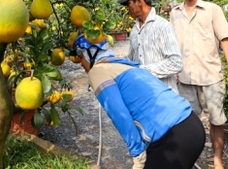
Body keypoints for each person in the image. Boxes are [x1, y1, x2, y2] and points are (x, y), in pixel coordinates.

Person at [71, 34, 205, 169]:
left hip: (173, 136)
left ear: (90, 54)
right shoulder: (125, 64)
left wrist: (138, 155)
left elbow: (120, 116)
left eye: (81, 57)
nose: (81, 63)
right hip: (192, 125)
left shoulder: (99, 71)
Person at [170, 0, 228, 169]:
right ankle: (191, 159)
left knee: (216, 121)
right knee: (187, 122)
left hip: (210, 76)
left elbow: (225, 39)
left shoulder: (212, 9)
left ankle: (218, 159)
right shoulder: (174, 13)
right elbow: (173, 44)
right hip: (184, 78)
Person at [119, 0, 183, 91]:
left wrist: (143, 71)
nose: (127, 8)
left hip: (163, 94)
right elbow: (131, 60)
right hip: (144, 93)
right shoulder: (134, 30)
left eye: (128, 4)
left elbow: (176, 63)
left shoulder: (162, 26)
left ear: (139, 1)